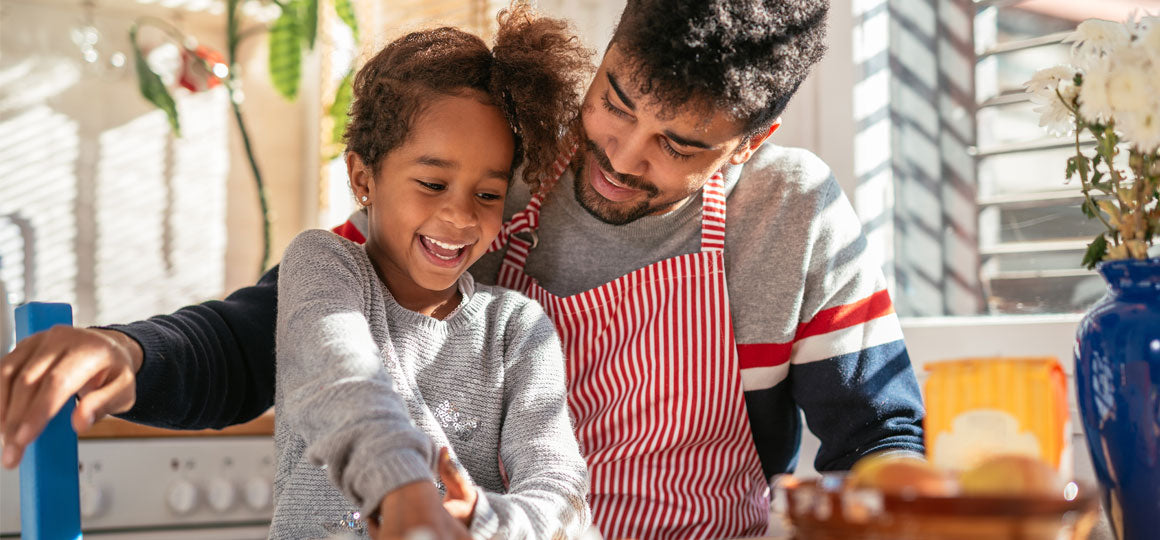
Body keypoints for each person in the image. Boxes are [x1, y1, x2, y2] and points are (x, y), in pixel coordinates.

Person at [1, 0, 925, 539]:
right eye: (616, 100)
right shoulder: (496, 175)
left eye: (678, 144)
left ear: (748, 143)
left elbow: (879, 432)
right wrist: (134, 353)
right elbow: (295, 326)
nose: (620, 155)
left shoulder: (789, 211)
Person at [269, 6, 591, 539]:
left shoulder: (516, 327)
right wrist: (406, 494)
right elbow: (341, 377)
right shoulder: (323, 264)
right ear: (362, 177)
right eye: (433, 184)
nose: (462, 217)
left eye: (487, 195)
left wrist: (484, 519)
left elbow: (561, 492)